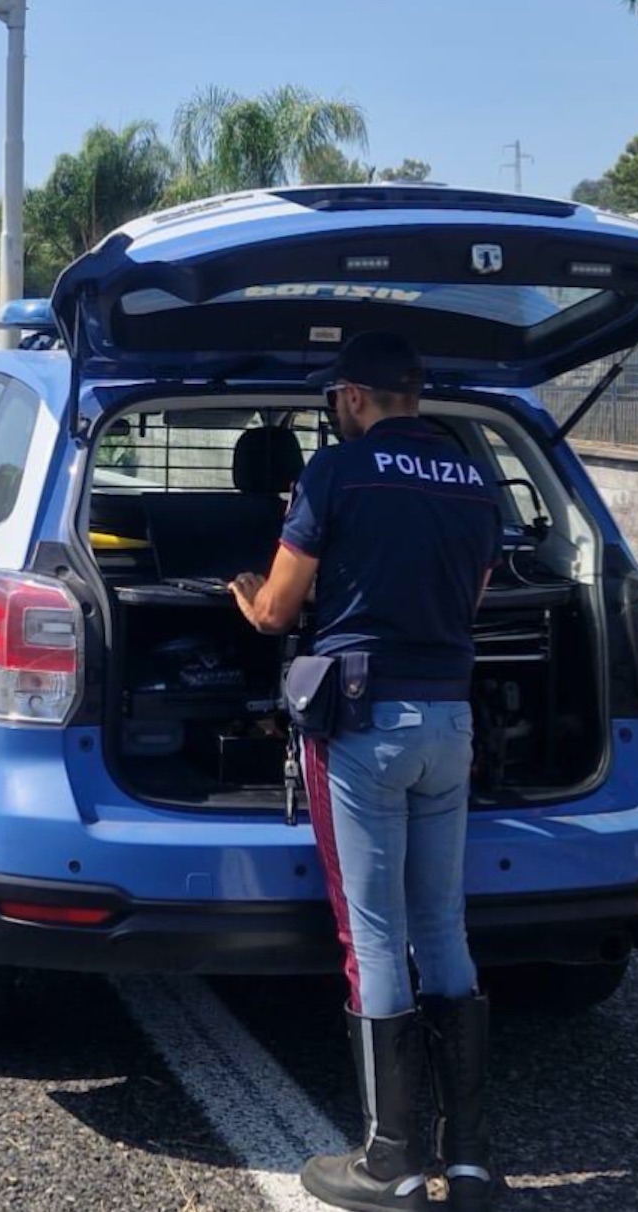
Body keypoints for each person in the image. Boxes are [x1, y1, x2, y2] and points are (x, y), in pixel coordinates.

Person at [228, 330, 504, 1212]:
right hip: (450, 720)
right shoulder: (473, 475)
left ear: (352, 397)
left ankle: (389, 1160)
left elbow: (277, 611)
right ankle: (466, 1160)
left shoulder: (335, 475)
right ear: (416, 394)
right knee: (444, 926)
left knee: (375, 931)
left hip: (364, 725)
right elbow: (475, 597)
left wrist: (244, 597)